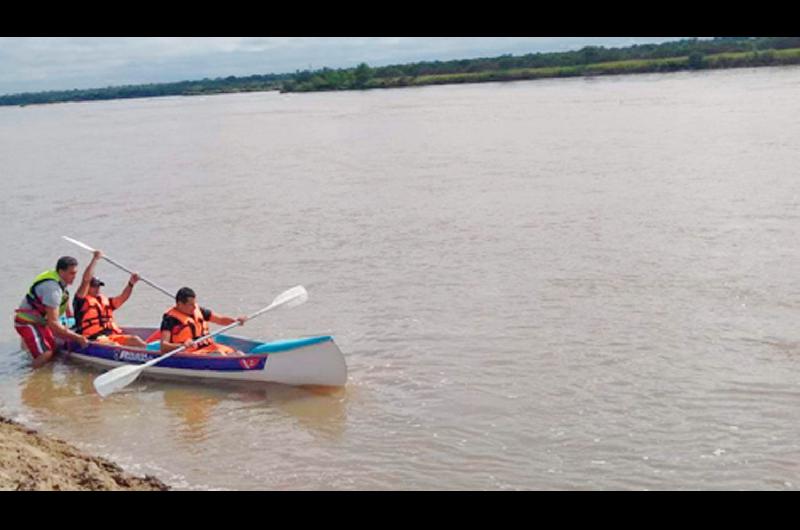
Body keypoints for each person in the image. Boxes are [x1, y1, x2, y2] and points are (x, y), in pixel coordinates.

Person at [14, 256, 89, 368]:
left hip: (40, 320)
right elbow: (53, 323)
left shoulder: (59, 282)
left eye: (75, 273)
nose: (74, 277)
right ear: (61, 271)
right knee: (45, 354)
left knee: (53, 348)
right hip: (27, 321)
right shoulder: (52, 289)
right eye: (71, 273)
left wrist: (70, 317)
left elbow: (63, 299)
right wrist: (77, 338)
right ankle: (28, 378)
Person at [72, 249, 147, 348]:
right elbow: (85, 280)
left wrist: (131, 283)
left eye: (99, 286)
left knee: (135, 340)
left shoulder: (105, 301)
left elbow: (123, 298)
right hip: (93, 338)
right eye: (94, 286)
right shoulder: (81, 301)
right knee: (113, 345)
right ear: (88, 287)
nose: (97, 288)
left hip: (111, 335)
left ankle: (152, 356)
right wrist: (95, 259)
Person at [159, 287, 247, 356]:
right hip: (191, 353)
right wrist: (182, 346)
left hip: (209, 348)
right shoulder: (170, 319)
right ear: (179, 304)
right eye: (190, 304)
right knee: (218, 355)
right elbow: (163, 347)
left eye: (194, 303)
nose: (194, 307)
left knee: (238, 353)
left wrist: (235, 321)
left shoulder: (198, 310)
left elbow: (220, 320)